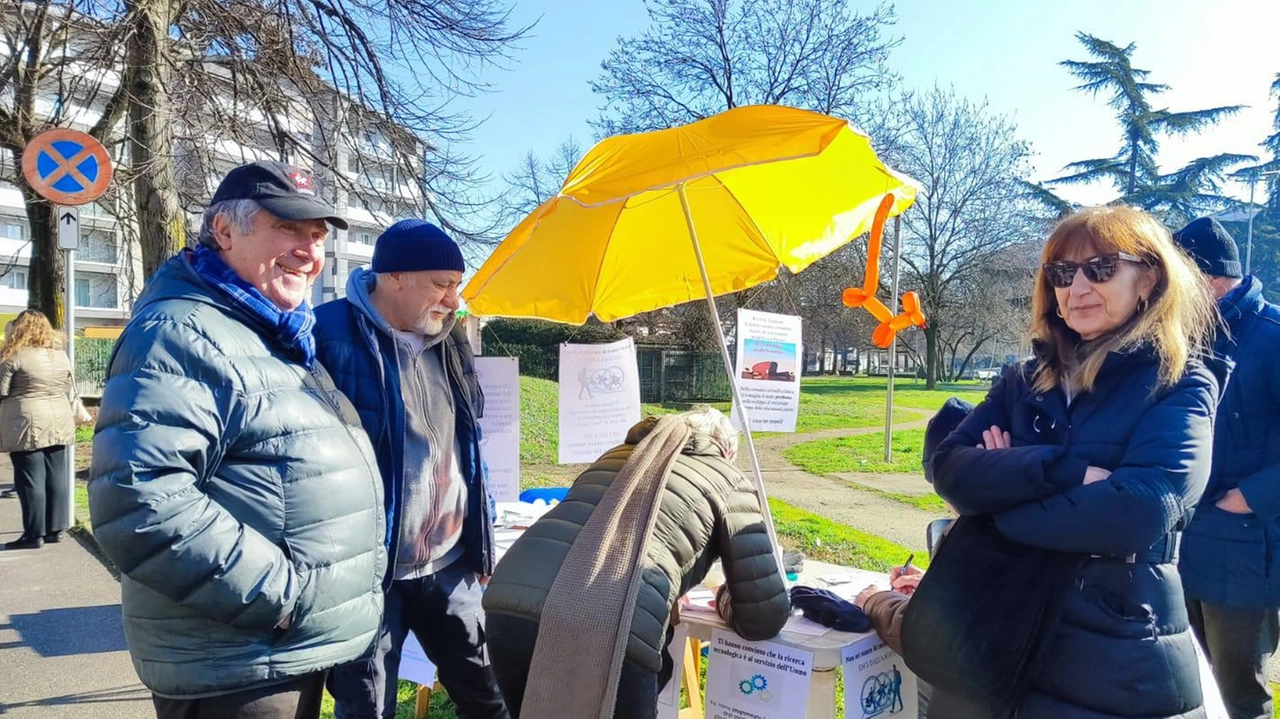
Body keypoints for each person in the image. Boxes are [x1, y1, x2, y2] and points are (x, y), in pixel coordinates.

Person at [88, 161, 387, 719]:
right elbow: (138, 501)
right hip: (236, 664)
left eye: (316, 236)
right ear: (224, 231)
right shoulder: (182, 333)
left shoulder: (265, 329)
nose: (308, 250)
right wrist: (282, 597)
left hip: (270, 654)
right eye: (287, 229)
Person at [899, 206, 1223, 717]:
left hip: (1109, 653)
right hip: (990, 637)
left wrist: (994, 503)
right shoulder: (1022, 379)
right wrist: (1064, 471)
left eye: (1100, 268)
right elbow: (949, 468)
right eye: (1062, 273)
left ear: (1149, 279)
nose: (1078, 287)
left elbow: (1137, 512)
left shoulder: (1179, 383)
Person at [313, 219, 506, 719]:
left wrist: (480, 536)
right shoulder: (323, 334)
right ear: (394, 275)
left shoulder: (451, 338)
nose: (453, 299)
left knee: (489, 697)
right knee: (368, 708)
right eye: (443, 283)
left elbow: (469, 444)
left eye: (457, 285)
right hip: (370, 575)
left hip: (451, 566)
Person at [481, 408, 791, 719]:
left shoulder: (616, 454)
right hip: (612, 621)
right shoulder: (728, 478)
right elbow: (762, 616)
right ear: (728, 451)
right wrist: (724, 596)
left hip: (509, 603)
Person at [1174, 216, 1280, 719]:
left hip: (1243, 550)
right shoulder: (1184, 337)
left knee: (1238, 695)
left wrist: (1250, 497)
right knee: (1187, 684)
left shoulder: (1273, 336)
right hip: (1180, 541)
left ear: (1210, 279)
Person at [0, 310, 75, 549]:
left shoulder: (14, 356)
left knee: (30, 479)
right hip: (60, 419)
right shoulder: (60, 356)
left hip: (27, 422)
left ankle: (34, 534)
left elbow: (1, 390)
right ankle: (55, 529)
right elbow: (67, 386)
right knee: (57, 477)